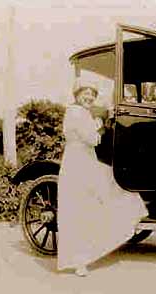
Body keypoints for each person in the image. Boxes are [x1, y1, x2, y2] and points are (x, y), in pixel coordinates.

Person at [57, 76, 148, 277]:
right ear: (77, 95)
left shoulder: (80, 112)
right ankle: (80, 260)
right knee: (82, 209)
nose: (88, 97)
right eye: (85, 94)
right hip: (78, 163)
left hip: (82, 160)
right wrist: (99, 124)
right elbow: (92, 139)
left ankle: (85, 256)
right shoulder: (76, 112)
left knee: (91, 204)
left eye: (92, 94)